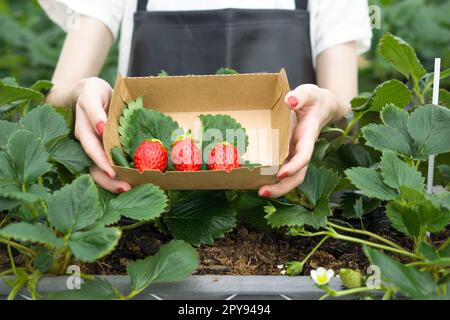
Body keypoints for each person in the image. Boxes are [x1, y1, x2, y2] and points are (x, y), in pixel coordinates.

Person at [38, 0, 372, 198]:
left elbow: (346, 108)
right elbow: (58, 96)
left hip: (285, 205)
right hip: (149, 209)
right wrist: (83, 93)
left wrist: (325, 104)